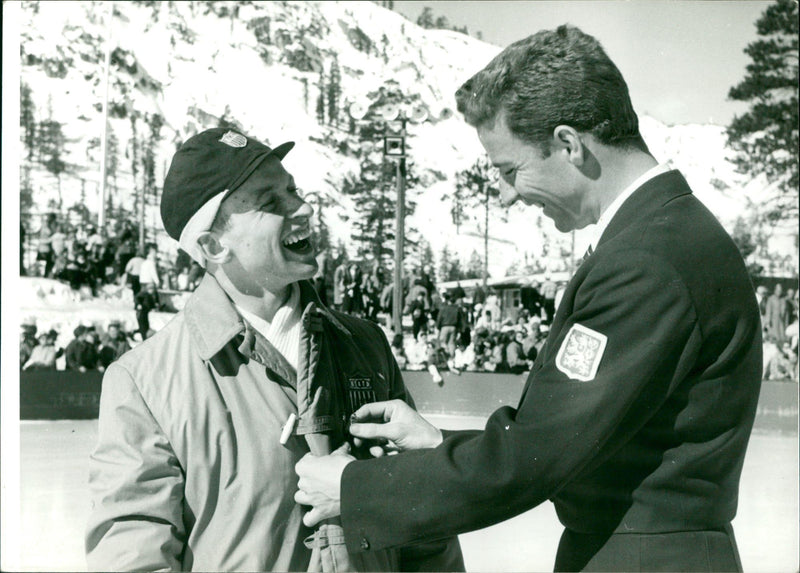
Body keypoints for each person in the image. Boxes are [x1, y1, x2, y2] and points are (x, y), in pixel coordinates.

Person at [295, 25, 762, 573]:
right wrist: (436, 442)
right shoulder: (661, 235)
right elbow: (571, 437)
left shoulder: (646, 261)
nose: (507, 195)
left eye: (510, 170)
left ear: (569, 144)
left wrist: (359, 489)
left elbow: (536, 456)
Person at [86, 127, 463, 572]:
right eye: (271, 202)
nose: (303, 208)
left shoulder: (366, 344)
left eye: (293, 190)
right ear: (213, 245)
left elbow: (424, 526)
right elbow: (133, 553)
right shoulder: (145, 380)